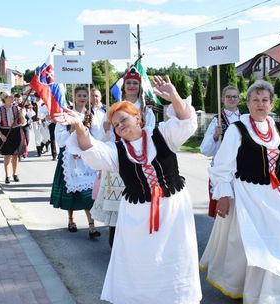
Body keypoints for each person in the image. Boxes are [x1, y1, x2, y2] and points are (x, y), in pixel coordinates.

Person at [59, 75, 202, 304]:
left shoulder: (162, 134)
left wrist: (174, 97)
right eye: (116, 124)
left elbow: (186, 123)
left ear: (138, 118)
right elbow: (92, 152)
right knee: (140, 265)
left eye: (123, 119)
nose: (120, 126)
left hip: (173, 210)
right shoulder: (116, 150)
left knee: (176, 259)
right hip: (137, 217)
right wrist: (78, 126)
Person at [200, 80, 280, 304]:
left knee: (276, 243)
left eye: (265, 100)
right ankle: (243, 288)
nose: (260, 104)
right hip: (247, 194)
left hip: (277, 195)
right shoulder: (238, 129)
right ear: (249, 103)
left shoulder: (279, 129)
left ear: (272, 103)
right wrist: (223, 195)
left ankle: (270, 294)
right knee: (248, 245)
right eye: (255, 100)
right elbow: (222, 166)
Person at [92, 68, 157, 247]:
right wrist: (105, 128)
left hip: (139, 160)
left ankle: (139, 247)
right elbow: (104, 140)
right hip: (119, 162)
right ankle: (116, 250)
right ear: (124, 86)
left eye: (135, 83)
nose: (131, 86)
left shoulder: (146, 111)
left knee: (140, 206)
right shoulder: (114, 110)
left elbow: (150, 136)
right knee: (118, 210)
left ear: (139, 86)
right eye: (128, 83)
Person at [50, 86, 100, 239]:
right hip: (69, 159)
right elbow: (59, 140)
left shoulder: (91, 115)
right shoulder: (65, 116)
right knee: (70, 192)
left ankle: (91, 226)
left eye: (85, 95)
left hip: (85, 158)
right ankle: (71, 220)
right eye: (79, 95)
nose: (82, 98)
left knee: (87, 193)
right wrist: (72, 130)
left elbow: (97, 137)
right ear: (75, 96)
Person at [200, 85, 242, 218]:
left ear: (239, 99)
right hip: (223, 172)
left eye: (234, 96)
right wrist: (215, 136)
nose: (232, 99)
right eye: (228, 96)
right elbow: (205, 150)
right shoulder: (217, 120)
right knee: (223, 214)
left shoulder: (246, 119)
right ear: (222, 99)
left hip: (242, 170)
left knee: (240, 212)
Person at [0, 92, 26, 184]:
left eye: (11, 96)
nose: (11, 98)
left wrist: (22, 115)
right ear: (4, 99)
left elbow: (22, 122)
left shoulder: (18, 108)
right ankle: (7, 176)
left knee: (15, 154)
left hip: (16, 132)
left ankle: (15, 174)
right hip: (5, 132)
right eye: (9, 97)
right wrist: (1, 135)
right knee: (7, 155)